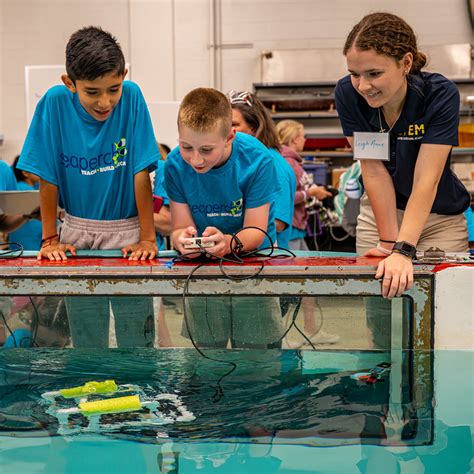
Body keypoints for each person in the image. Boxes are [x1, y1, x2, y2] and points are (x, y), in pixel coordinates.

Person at [18, 26, 160, 348]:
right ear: (70, 83)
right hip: (75, 233)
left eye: (114, 88)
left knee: (137, 341)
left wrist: (148, 237)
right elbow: (48, 174)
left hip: (129, 232)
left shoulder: (133, 96)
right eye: (92, 92)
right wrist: (50, 237)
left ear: (124, 75)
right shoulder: (54, 103)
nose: (105, 102)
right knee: (87, 339)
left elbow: (140, 170)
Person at [335, 12, 469, 300]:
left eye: (374, 73)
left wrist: (403, 249)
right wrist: (388, 242)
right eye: (354, 73)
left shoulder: (439, 94)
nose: (362, 85)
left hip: (438, 218)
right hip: (380, 216)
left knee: (445, 309)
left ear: (406, 63)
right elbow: (373, 170)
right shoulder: (348, 94)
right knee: (381, 314)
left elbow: (427, 178)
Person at [165, 87, 284, 348]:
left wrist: (228, 243)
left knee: (257, 358)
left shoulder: (257, 160)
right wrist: (182, 240)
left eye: (207, 149)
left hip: (254, 266)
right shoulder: (174, 164)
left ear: (230, 136)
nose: (195, 159)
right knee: (206, 357)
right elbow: (180, 227)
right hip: (203, 270)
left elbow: (256, 231)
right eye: (186, 147)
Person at [227, 90, 295, 250]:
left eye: (234, 124)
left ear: (254, 127)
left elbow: (277, 222)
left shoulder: (271, 164)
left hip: (264, 259)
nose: (226, 131)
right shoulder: (240, 161)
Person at [275, 119, 332, 250]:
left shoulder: (292, 162)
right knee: (293, 268)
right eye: (303, 136)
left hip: (295, 228)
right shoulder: (289, 163)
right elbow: (284, 197)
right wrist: (311, 193)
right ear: (295, 139)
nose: (305, 140)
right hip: (290, 229)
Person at [9, 156, 42, 250]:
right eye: (36, 167)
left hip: (19, 247)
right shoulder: (27, 192)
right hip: (30, 247)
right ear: (25, 172)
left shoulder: (18, 188)